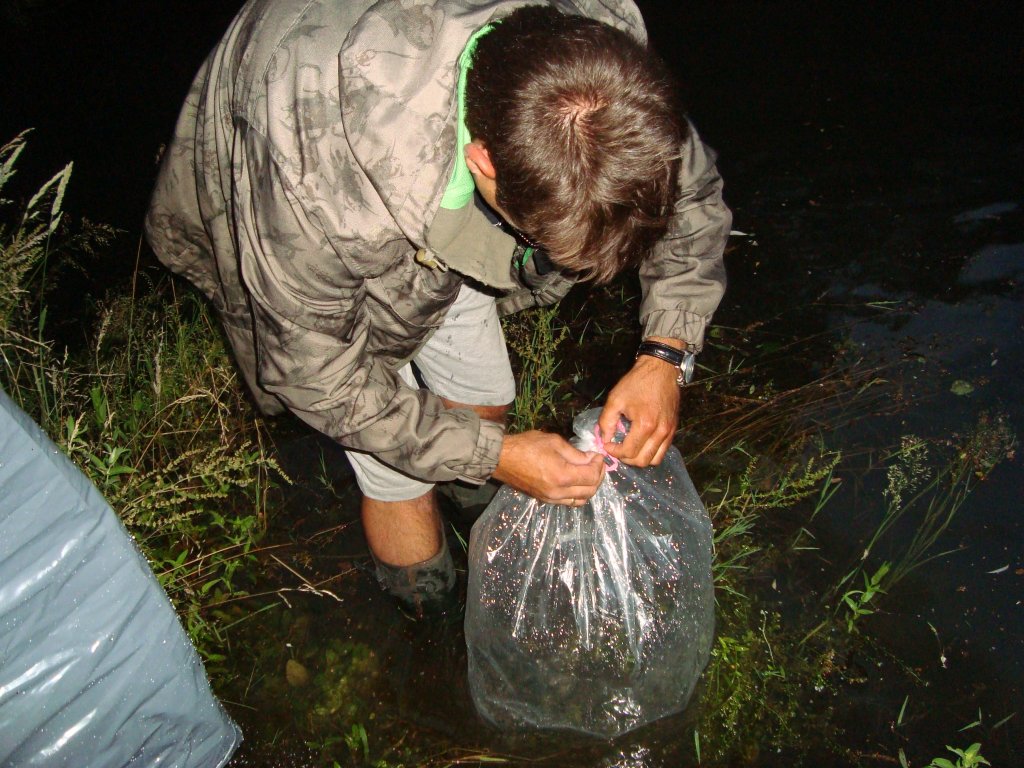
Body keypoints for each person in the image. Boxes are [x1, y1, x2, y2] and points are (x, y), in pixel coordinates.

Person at [145, 0, 730, 616]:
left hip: (437, 197)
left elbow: (689, 201)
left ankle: (471, 496)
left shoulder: (602, 75)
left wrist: (665, 356)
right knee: (398, 476)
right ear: (484, 164)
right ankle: (429, 618)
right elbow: (322, 378)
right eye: (539, 242)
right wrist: (497, 456)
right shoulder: (314, 179)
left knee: (485, 396)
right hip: (314, 209)